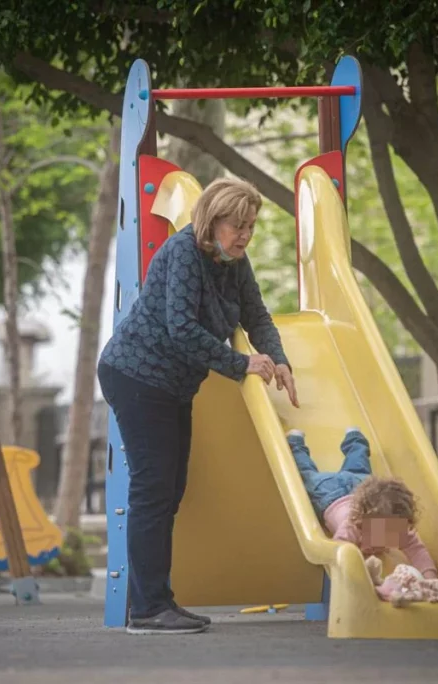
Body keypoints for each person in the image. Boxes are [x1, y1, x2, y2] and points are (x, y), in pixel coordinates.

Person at [98, 178, 300, 635]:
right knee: (153, 490)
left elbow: (257, 315)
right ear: (213, 220)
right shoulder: (184, 251)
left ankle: (151, 600)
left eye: (250, 226)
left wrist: (280, 359)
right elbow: (182, 330)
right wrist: (241, 363)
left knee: (169, 491)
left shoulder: (234, 263)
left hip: (172, 385)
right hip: (136, 376)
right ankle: (149, 611)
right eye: (237, 225)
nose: (245, 235)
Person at [286, 428, 438, 580]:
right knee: (307, 475)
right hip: (329, 493)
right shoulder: (350, 527)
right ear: (363, 522)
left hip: (358, 484)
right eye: (382, 530)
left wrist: (430, 577)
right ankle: (295, 444)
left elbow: (417, 551)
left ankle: (355, 438)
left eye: (394, 529)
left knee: (359, 468)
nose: (389, 536)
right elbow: (339, 555)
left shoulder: (397, 528)